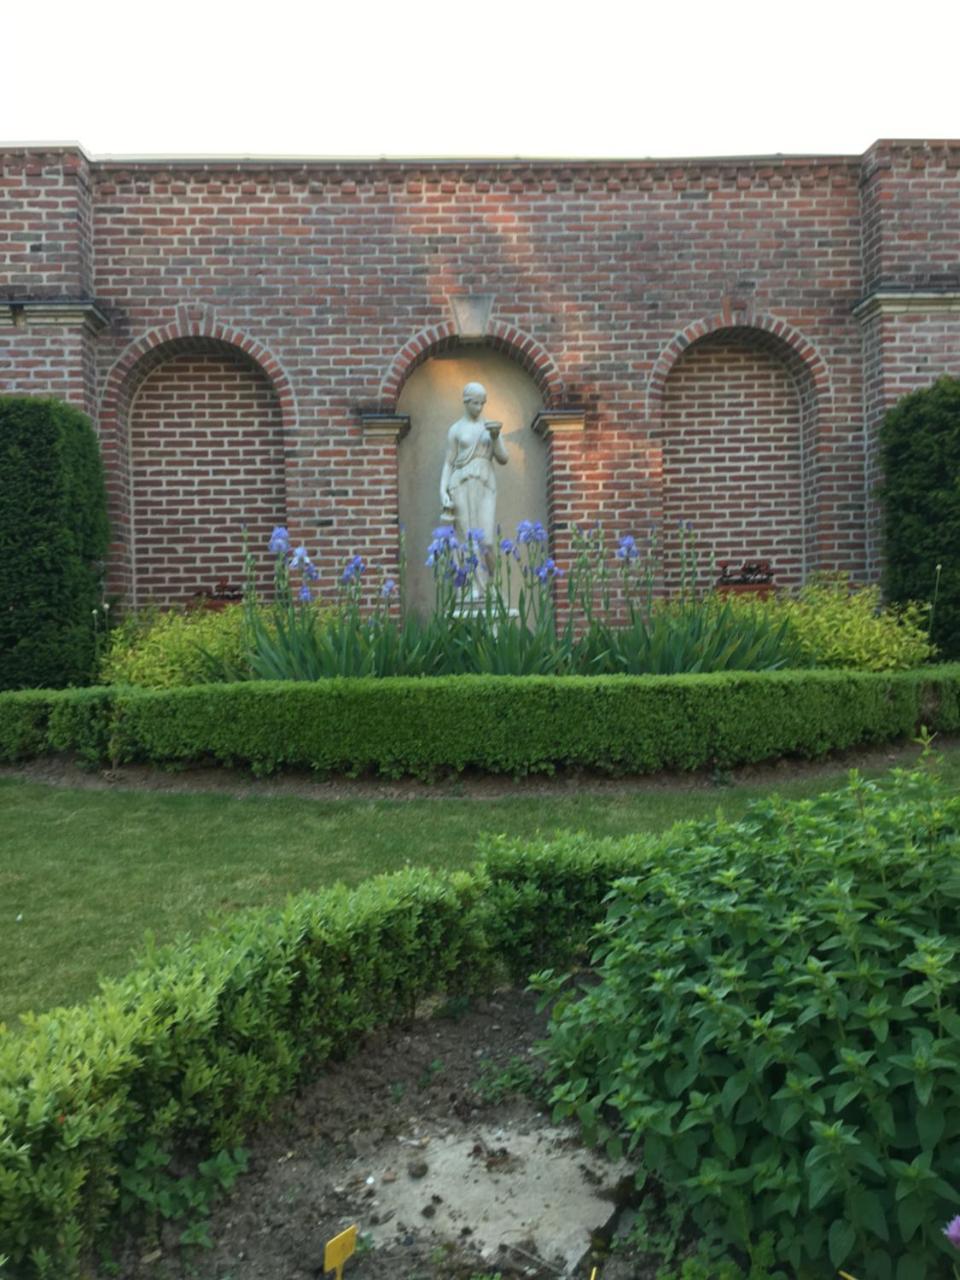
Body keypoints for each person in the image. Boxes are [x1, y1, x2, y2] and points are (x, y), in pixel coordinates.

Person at [439, 382, 508, 586]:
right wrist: (442, 491)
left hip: (485, 482)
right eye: (476, 403)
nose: (479, 408)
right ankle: (473, 588)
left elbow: (503, 458)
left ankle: (492, 587)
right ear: (466, 402)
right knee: (467, 540)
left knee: (485, 540)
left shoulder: (489, 428)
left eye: (482, 404)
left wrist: (495, 438)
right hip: (460, 483)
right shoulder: (456, 430)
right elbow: (448, 463)